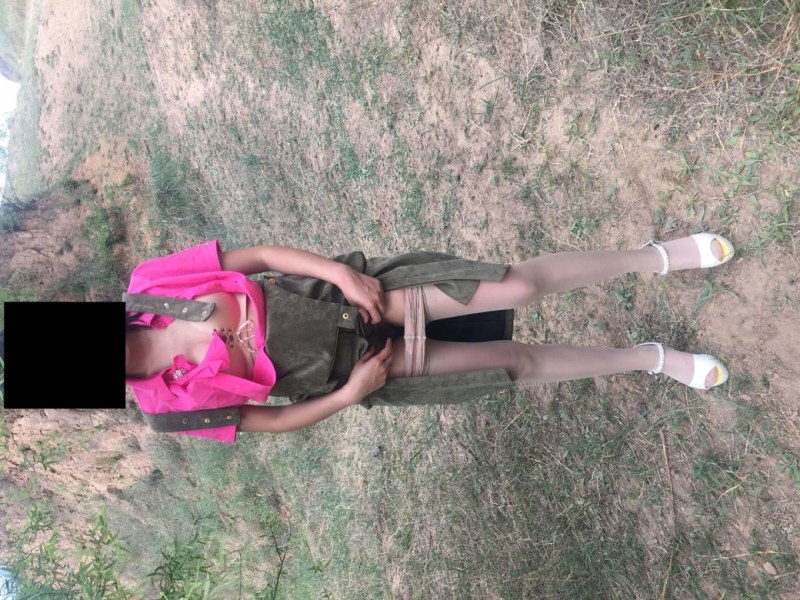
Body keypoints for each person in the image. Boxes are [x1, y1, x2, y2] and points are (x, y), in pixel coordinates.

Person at [125, 233, 734, 442]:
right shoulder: (164, 413)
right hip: (365, 368)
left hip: (360, 297)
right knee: (511, 362)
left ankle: (654, 257)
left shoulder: (148, 285)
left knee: (518, 285)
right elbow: (274, 421)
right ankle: (648, 359)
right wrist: (352, 393)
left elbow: (256, 257)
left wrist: (341, 273)